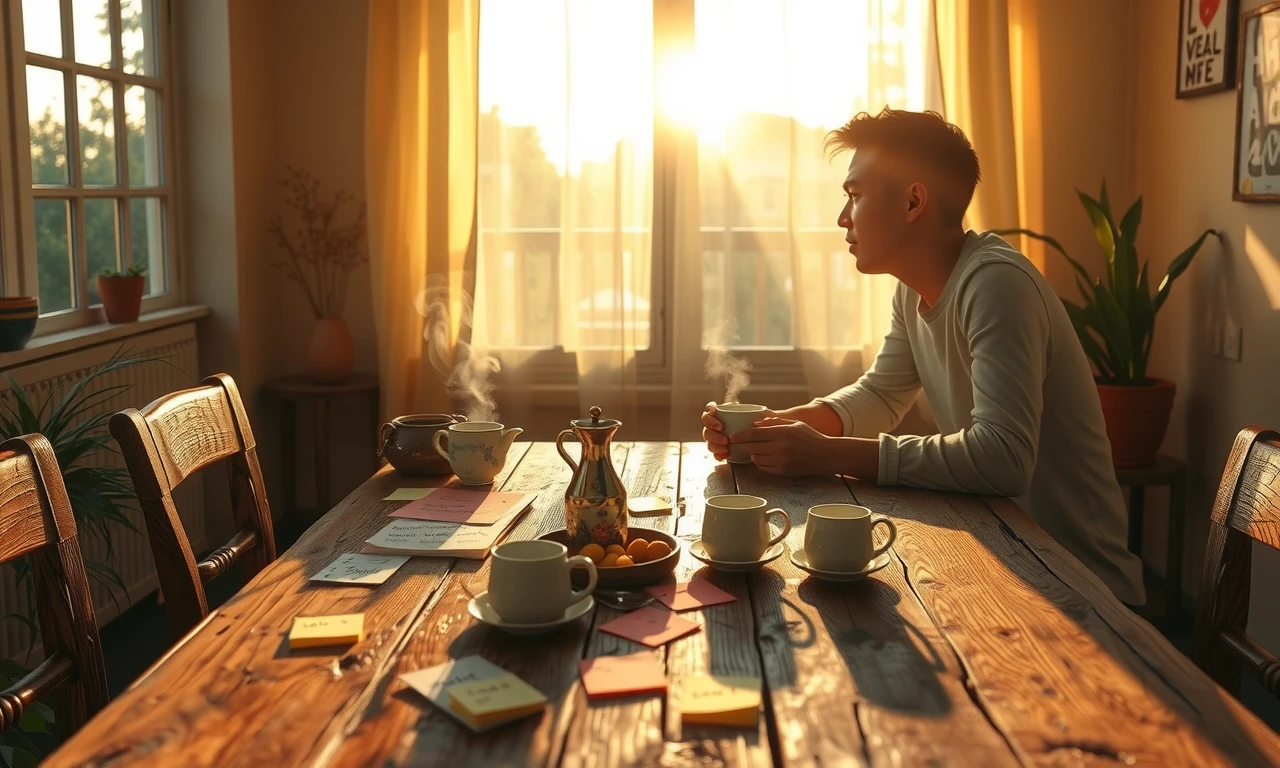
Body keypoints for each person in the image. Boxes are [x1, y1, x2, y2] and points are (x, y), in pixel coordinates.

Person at [701, 108, 1145, 606]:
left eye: (855, 196)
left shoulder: (997, 284)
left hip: (1080, 589)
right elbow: (881, 394)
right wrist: (776, 428)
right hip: (1005, 562)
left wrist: (826, 453)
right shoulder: (912, 293)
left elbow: (1003, 459)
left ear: (913, 201)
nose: (842, 218)